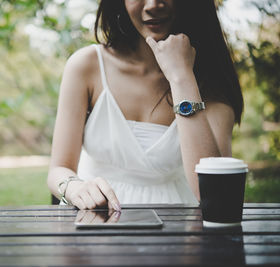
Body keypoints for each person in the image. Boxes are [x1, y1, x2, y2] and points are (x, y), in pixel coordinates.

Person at [47, 0, 244, 210]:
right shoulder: (86, 65)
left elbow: (212, 193)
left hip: (176, 228)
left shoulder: (211, 82)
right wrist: (75, 188)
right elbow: (58, 168)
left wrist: (181, 78)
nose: (152, 5)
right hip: (94, 223)